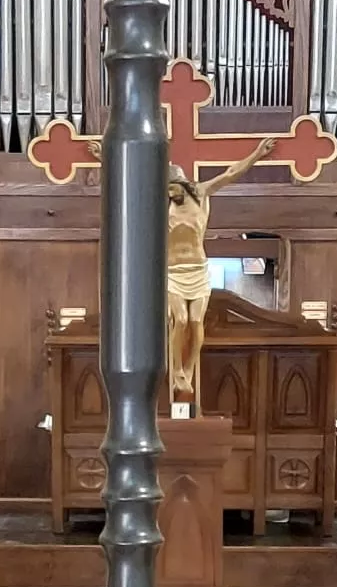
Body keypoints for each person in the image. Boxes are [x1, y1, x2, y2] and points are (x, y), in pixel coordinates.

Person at [85, 138, 278, 398]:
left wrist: (257, 154)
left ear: (183, 185)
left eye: (173, 188)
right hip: (173, 273)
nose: (170, 193)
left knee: (197, 321)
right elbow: (130, 182)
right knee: (181, 319)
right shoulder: (163, 204)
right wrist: (105, 161)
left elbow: (231, 173)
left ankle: (187, 371)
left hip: (198, 270)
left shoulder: (201, 194)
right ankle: (176, 371)